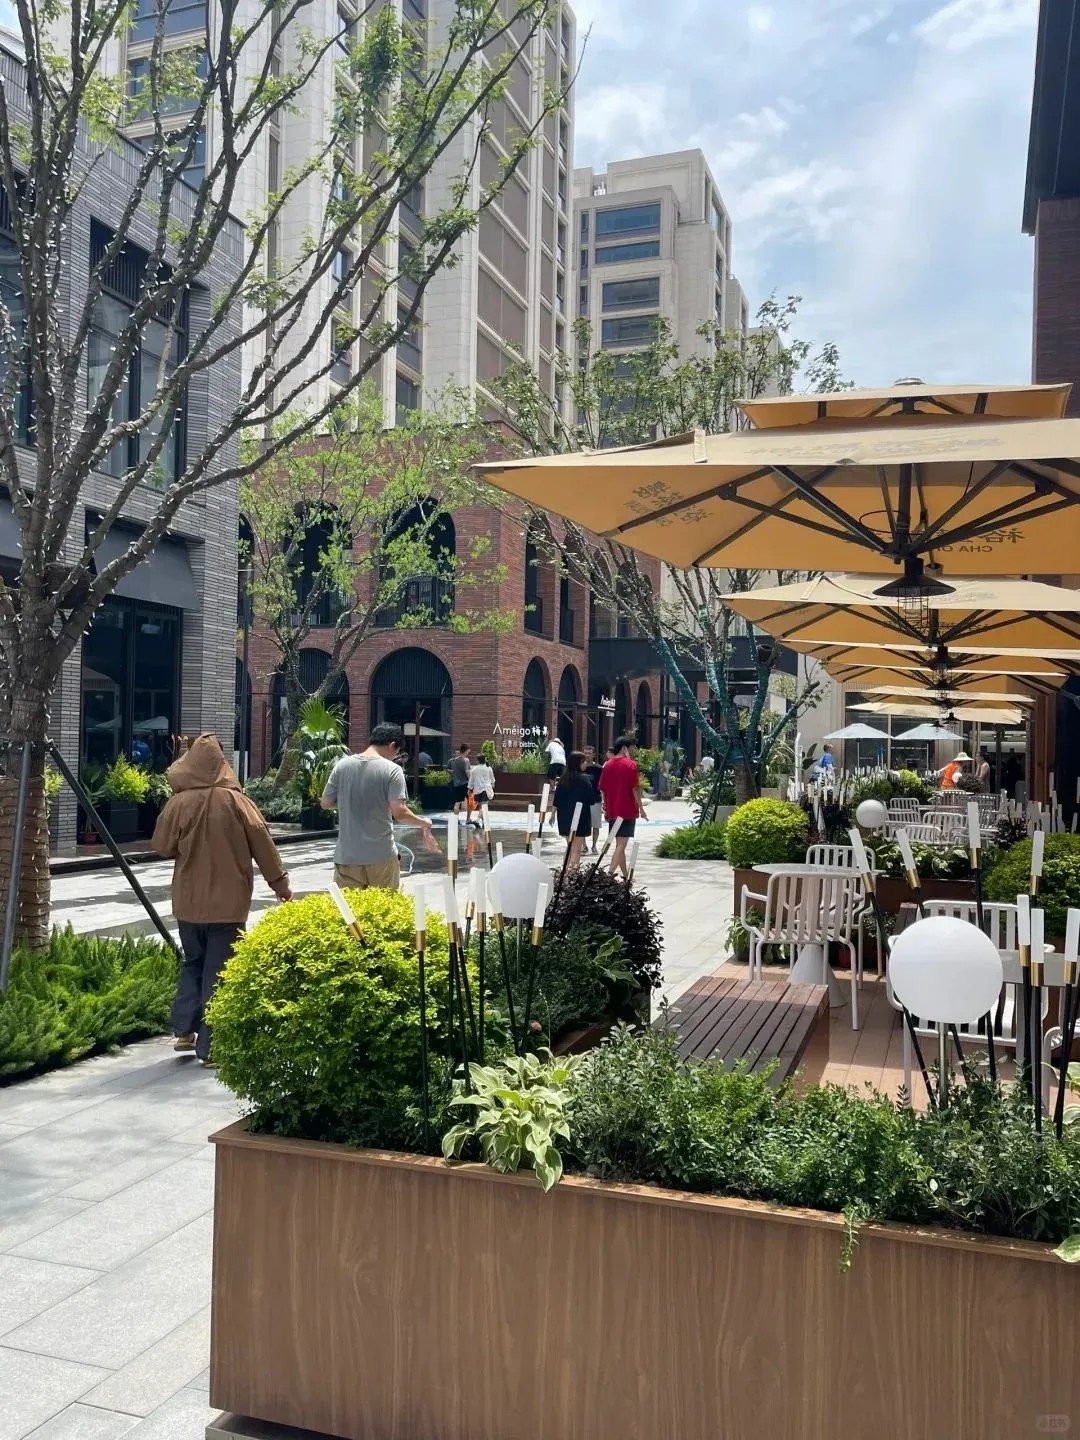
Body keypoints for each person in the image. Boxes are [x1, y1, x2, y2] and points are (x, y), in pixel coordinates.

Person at [152, 733, 292, 1066]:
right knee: (221, 970)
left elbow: (161, 846)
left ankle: (184, 1031)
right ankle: (212, 1047)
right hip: (230, 903)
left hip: (188, 902)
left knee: (193, 962)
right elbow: (264, 848)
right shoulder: (239, 803)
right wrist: (280, 884)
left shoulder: (178, 803)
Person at [320, 722, 435, 891]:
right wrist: (423, 822)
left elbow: (325, 803)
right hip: (381, 855)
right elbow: (399, 812)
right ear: (392, 745)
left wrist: (351, 801)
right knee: (384, 905)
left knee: (349, 906)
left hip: (347, 856)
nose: (395, 756)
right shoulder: (392, 770)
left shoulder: (342, 766)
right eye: (397, 752)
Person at [599, 733, 645, 879]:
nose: (634, 750)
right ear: (625, 748)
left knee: (620, 844)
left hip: (613, 809)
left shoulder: (608, 765)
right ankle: (609, 875)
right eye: (632, 747)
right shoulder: (630, 765)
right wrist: (641, 808)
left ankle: (626, 876)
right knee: (621, 846)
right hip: (627, 810)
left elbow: (603, 788)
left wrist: (605, 805)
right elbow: (635, 789)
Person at [553, 750, 595, 870]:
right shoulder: (584, 779)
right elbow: (591, 800)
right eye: (584, 762)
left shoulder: (563, 779)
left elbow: (557, 799)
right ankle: (573, 874)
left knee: (570, 847)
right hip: (580, 818)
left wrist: (552, 815)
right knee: (576, 850)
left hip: (564, 818)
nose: (586, 764)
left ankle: (564, 872)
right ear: (578, 763)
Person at [583, 745, 604, 853]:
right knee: (582, 825)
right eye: (585, 753)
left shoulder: (599, 769)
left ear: (594, 755)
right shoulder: (580, 768)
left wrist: (604, 801)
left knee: (595, 825)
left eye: (589, 753)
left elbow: (602, 785)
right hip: (582, 800)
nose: (587, 755)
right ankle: (584, 846)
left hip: (595, 799)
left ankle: (594, 845)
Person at [468, 749, 496, 823]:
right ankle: (478, 819)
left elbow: (471, 780)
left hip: (477, 790)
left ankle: (483, 822)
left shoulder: (474, 769)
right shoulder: (488, 768)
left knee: (481, 806)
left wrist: (469, 788)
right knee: (484, 806)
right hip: (486, 789)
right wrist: (492, 786)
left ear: (478, 760)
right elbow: (492, 779)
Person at [450, 743, 471, 818]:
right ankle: (468, 819)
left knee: (457, 803)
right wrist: (471, 782)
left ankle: (456, 819)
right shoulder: (466, 760)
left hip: (457, 784)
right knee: (470, 801)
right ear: (466, 750)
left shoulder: (454, 760)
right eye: (468, 751)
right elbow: (467, 772)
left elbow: (453, 772)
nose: (468, 752)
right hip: (466, 784)